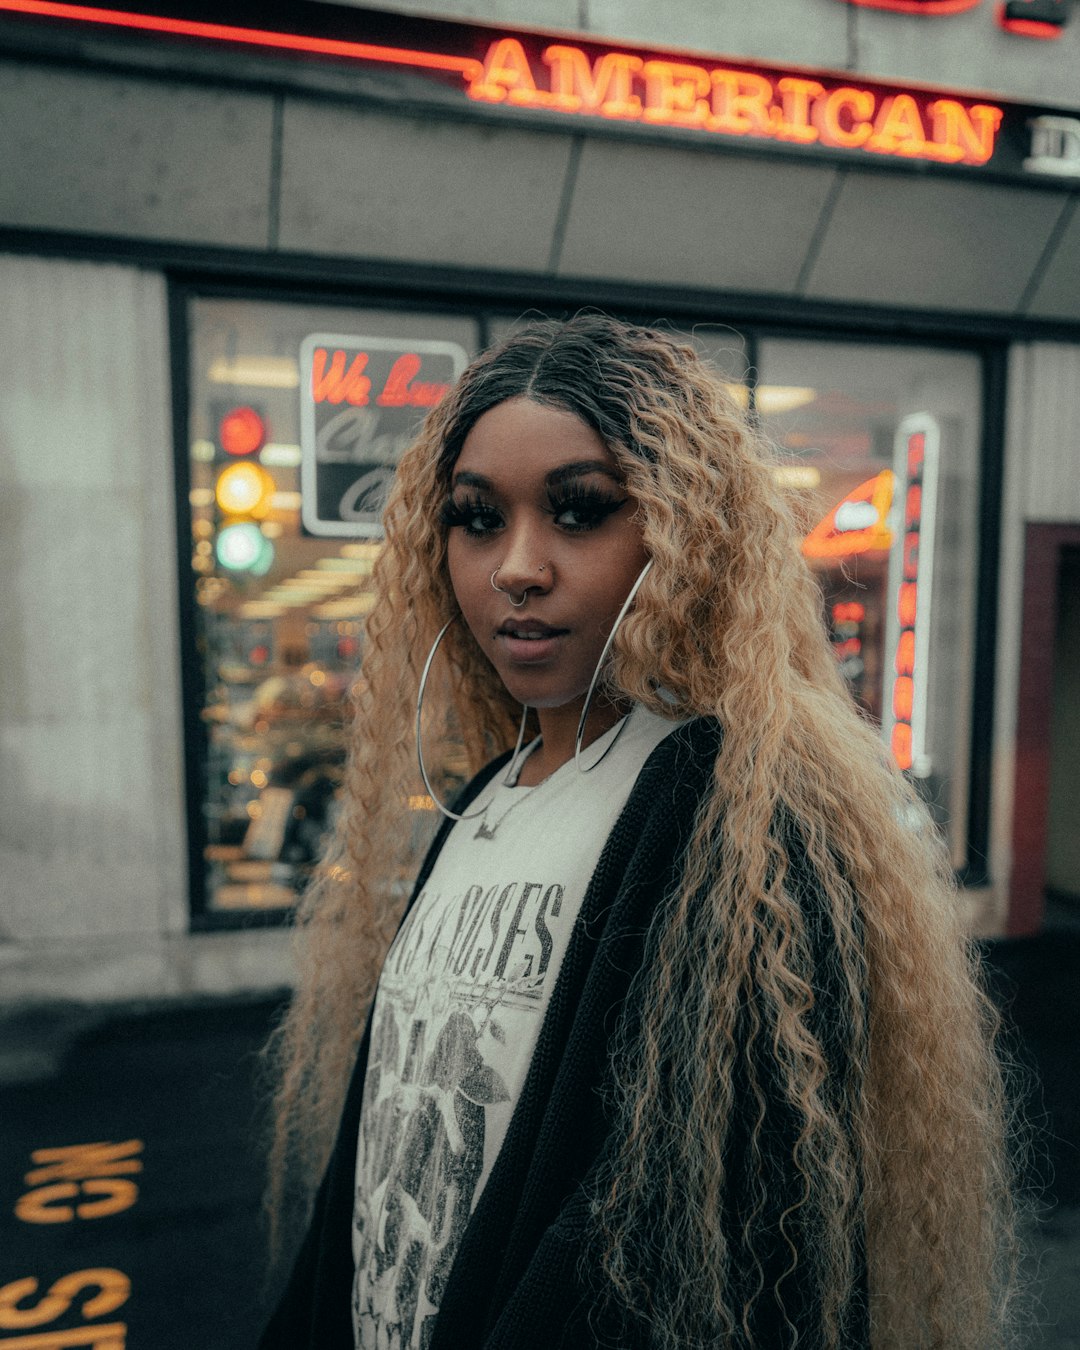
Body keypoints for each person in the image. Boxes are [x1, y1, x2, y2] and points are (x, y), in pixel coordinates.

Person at [259, 315, 1018, 1349]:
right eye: (477, 519)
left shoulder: (740, 816)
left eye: (580, 511)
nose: (517, 566)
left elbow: (693, 1253)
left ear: (683, 537)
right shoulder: (486, 798)